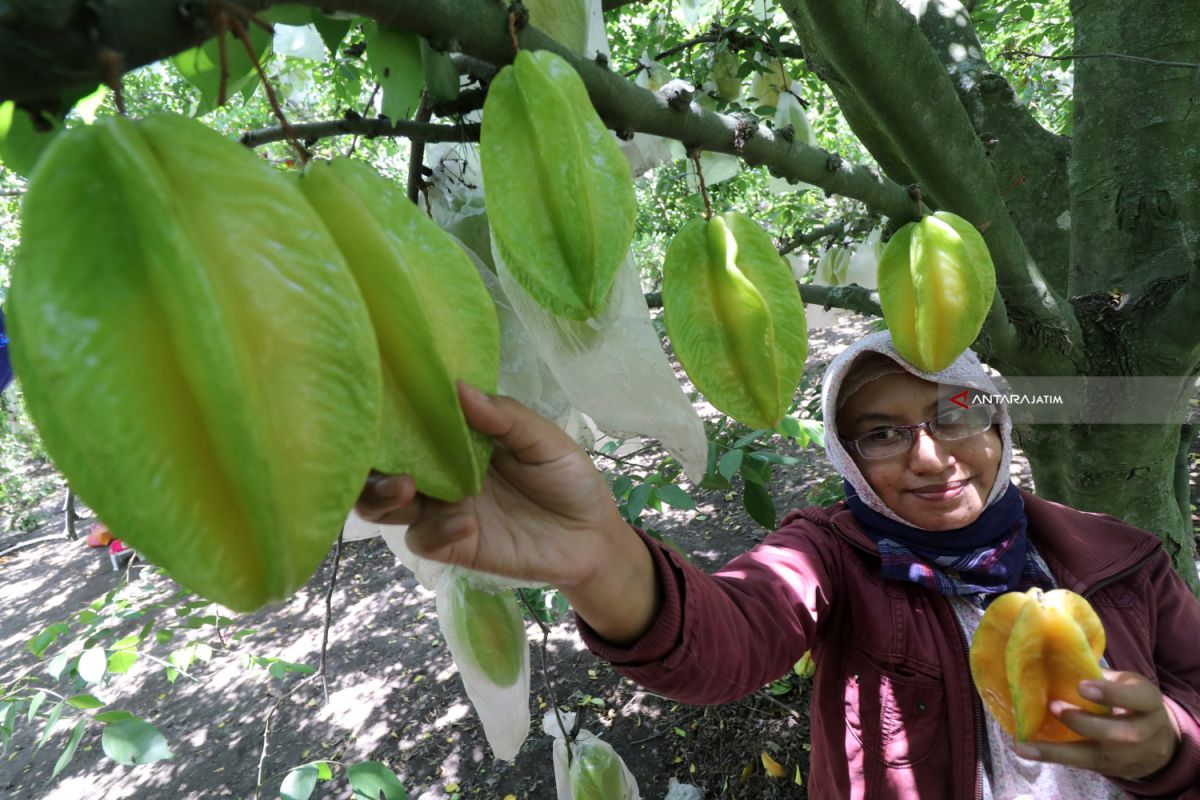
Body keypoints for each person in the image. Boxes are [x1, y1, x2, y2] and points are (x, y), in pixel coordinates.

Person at [356, 330, 1200, 799]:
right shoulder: (833, 557)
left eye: (955, 416)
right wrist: (598, 556)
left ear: (998, 425)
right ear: (846, 456)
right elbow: (727, 636)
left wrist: (1171, 747)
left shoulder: (1114, 555)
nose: (932, 457)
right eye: (881, 433)